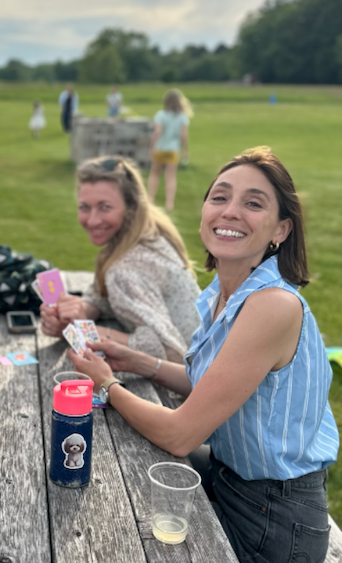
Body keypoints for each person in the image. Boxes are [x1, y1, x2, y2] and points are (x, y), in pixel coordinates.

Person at [71, 147, 338, 562]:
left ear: (281, 230)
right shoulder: (223, 294)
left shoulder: (272, 305)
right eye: (220, 197)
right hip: (231, 477)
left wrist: (107, 384)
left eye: (252, 203)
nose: (230, 211)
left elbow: (181, 434)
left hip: (274, 518)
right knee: (120, 470)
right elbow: (211, 384)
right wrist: (141, 363)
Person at [40, 156, 201, 363]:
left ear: (131, 207)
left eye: (105, 207)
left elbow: (170, 350)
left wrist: (88, 331)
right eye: (84, 207)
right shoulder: (147, 234)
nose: (92, 219)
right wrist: (79, 312)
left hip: (191, 383)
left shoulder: (126, 269)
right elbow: (112, 297)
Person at [147, 89, 192, 211]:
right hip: (173, 150)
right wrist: (185, 151)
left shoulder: (160, 114)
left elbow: (157, 132)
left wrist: (152, 146)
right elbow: (184, 136)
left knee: (155, 173)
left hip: (160, 149)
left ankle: (150, 199)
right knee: (171, 176)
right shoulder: (182, 117)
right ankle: (169, 203)